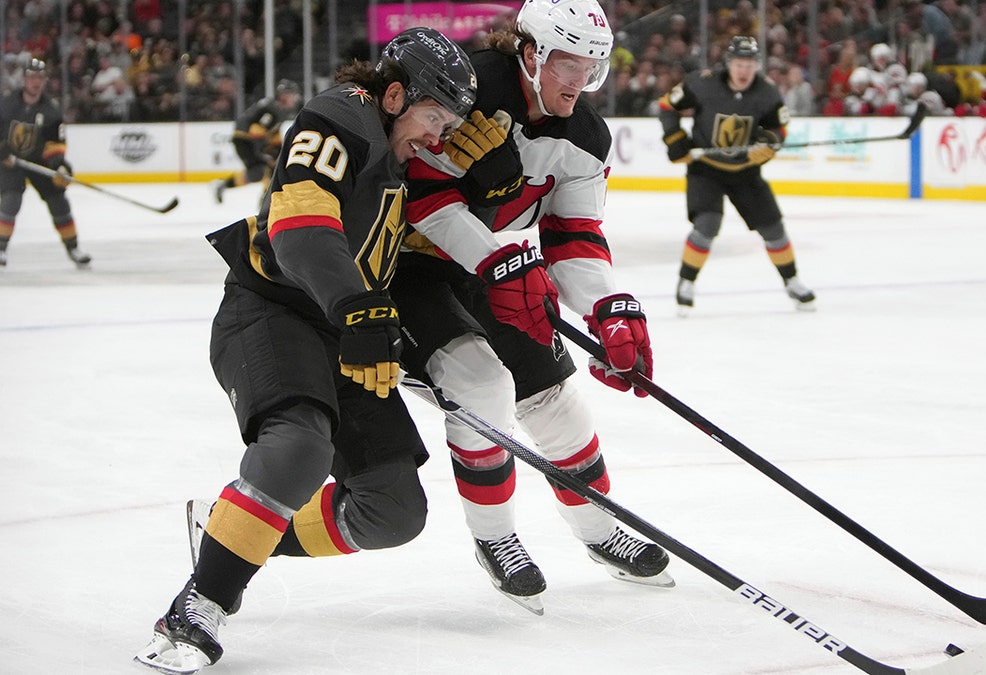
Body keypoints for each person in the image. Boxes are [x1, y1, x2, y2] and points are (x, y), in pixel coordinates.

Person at [133, 28, 478, 673]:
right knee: (298, 446)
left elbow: (403, 259)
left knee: (392, 512)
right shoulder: (340, 116)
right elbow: (298, 227)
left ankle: (228, 529)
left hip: (347, 325)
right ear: (395, 94)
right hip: (272, 311)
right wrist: (361, 310)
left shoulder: (408, 162)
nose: (441, 135)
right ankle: (199, 607)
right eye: (435, 117)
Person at [390, 0, 671, 615]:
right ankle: (496, 539)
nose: (579, 79)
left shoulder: (587, 137)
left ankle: (600, 532)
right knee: (481, 385)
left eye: (591, 65)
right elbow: (425, 201)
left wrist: (608, 306)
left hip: (496, 264)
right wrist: (499, 260)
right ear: (531, 52)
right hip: (407, 269)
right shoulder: (468, 87)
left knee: (557, 403)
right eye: (567, 63)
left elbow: (574, 235)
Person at [660, 36, 815, 314]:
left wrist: (769, 144)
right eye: (740, 64)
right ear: (729, 64)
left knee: (774, 229)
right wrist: (675, 138)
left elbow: (778, 129)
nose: (744, 71)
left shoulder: (767, 92)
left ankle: (792, 280)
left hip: (745, 171)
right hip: (705, 169)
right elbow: (666, 105)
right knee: (707, 225)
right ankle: (686, 282)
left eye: (750, 64)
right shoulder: (703, 83)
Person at [0, 58, 89, 269]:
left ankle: (73, 248)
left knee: (59, 200)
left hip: (38, 161)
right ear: (23, 80)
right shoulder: (6, 104)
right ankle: (1, 248)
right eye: (31, 77)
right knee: (11, 200)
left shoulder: (51, 110)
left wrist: (59, 165)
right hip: (10, 162)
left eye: (39, 77)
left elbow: (55, 144)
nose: (35, 82)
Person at [209, 78, 302, 204]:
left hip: (247, 139)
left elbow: (272, 133)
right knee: (267, 168)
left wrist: (279, 150)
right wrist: (268, 151)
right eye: (292, 94)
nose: (295, 98)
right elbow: (256, 130)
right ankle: (266, 201)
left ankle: (224, 185)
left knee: (257, 173)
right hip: (246, 140)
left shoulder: (277, 109)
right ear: (283, 96)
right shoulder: (273, 109)